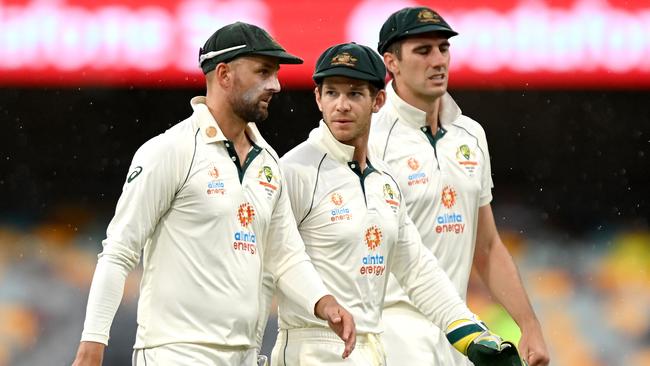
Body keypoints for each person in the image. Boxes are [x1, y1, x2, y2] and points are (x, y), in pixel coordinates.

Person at [71, 22, 356, 366]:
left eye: (275, 74)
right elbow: (119, 251)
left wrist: (324, 302)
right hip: (176, 352)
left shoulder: (268, 162)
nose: (276, 85)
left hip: (245, 355)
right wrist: (93, 342)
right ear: (223, 74)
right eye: (263, 72)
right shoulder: (170, 150)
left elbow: (285, 255)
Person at [263, 42, 526, 366]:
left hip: (373, 349)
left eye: (355, 94)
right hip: (312, 348)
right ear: (318, 98)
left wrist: (474, 337)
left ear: (379, 100)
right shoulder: (295, 170)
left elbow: (417, 268)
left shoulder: (385, 179)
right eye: (332, 93)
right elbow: (272, 260)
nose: (341, 105)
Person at [369, 6, 550, 366]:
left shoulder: (471, 134)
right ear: (391, 62)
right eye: (423, 51)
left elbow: (486, 246)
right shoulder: (370, 135)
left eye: (443, 48)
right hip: (390, 330)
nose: (438, 60)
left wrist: (528, 325)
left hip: (456, 332)